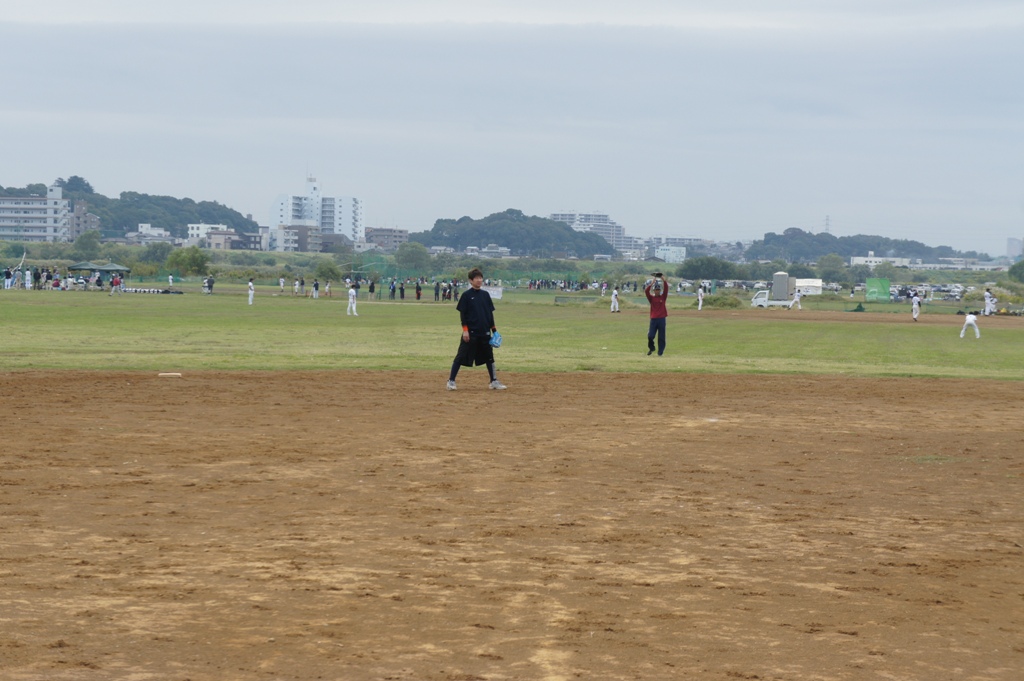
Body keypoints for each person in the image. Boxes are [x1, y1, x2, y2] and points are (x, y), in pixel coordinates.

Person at [447, 267, 505, 390]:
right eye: (476, 278)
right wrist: (465, 330)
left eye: (480, 278)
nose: (479, 280)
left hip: (485, 332)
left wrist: (494, 331)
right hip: (471, 333)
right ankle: (451, 381)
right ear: (470, 280)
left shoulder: (485, 295)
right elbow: (463, 315)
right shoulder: (467, 296)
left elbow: (490, 315)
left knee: (490, 357)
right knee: (461, 356)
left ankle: (494, 381)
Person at [645, 273, 669, 356]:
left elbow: (666, 288)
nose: (657, 291)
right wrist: (652, 283)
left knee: (661, 337)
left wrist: (663, 279)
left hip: (662, 319)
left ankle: (660, 352)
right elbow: (646, 291)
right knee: (650, 335)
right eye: (656, 290)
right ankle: (651, 348)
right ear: (654, 291)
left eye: (659, 290)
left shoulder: (663, 297)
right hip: (654, 319)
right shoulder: (651, 298)